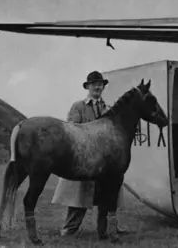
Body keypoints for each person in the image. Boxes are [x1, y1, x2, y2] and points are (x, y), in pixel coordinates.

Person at [51, 71, 128, 239]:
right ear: (88, 87)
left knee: (107, 195)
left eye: (100, 84)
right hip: (84, 159)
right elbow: (72, 130)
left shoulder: (108, 108)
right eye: (94, 84)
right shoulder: (78, 106)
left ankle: (107, 228)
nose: (98, 87)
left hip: (105, 162)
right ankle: (69, 228)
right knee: (79, 197)